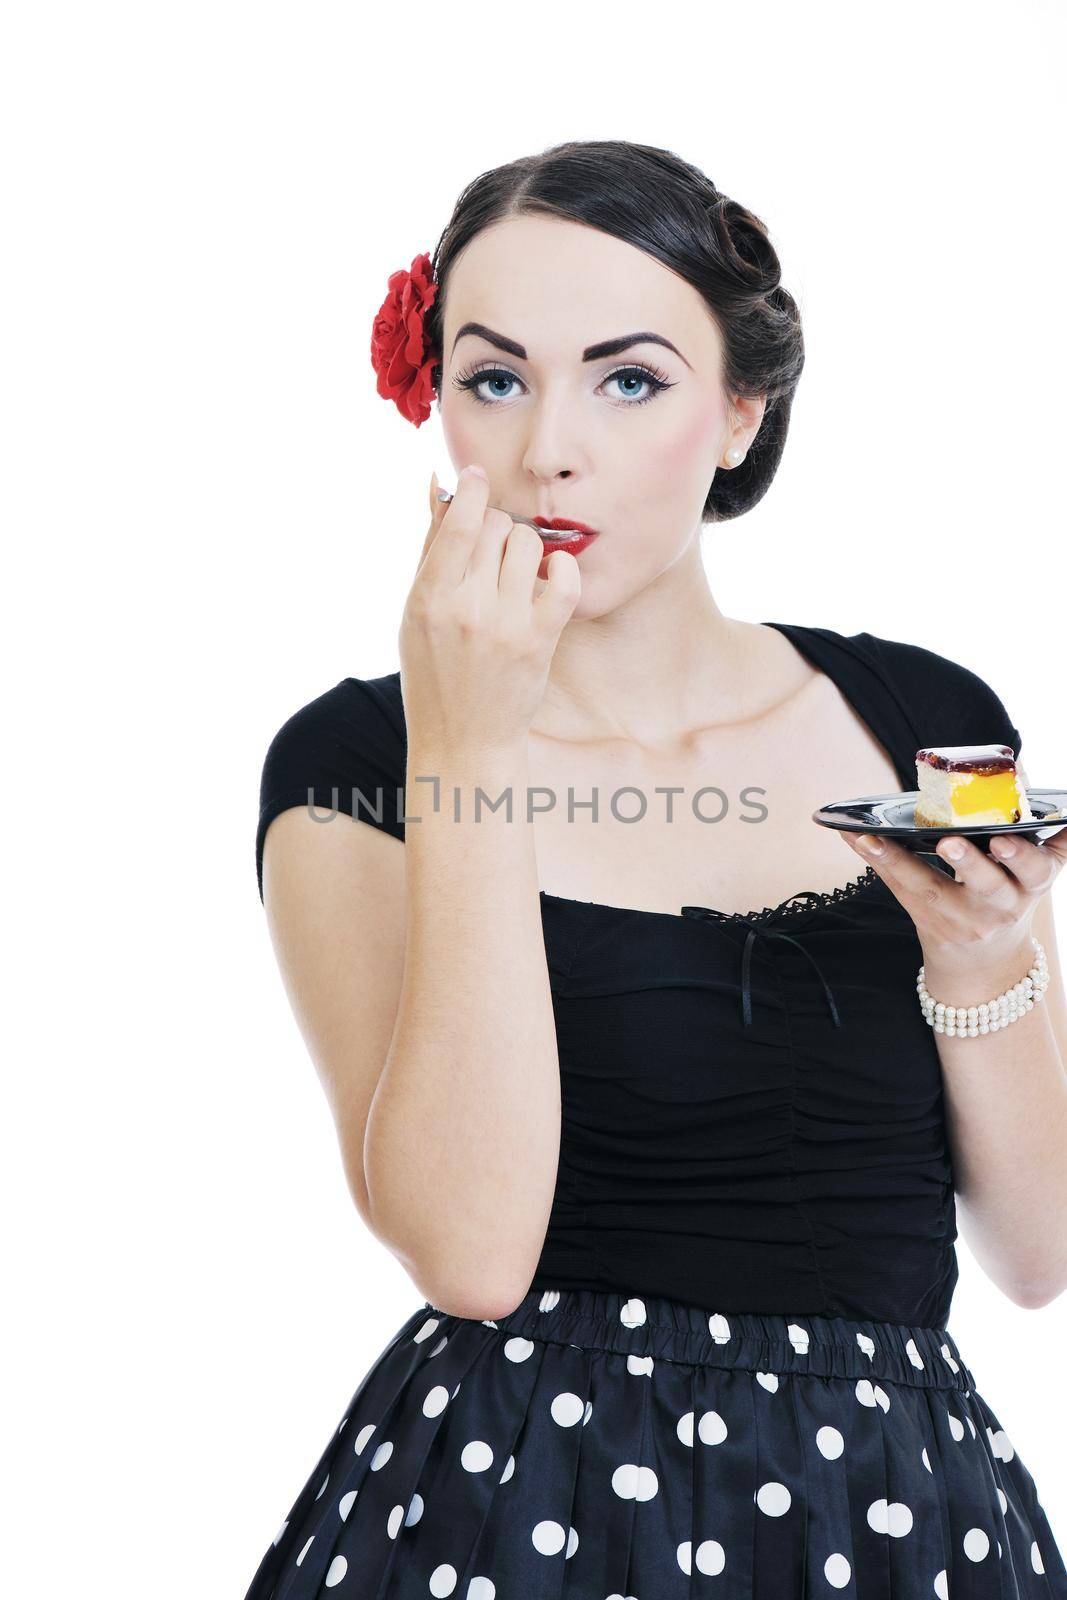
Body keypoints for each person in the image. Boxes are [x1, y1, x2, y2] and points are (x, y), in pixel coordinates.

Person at [243, 139, 1067, 1598]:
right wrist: (470, 744)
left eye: (631, 379)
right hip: (513, 1501)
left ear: (743, 411)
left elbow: (1038, 1255)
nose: (550, 444)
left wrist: (984, 958)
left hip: (890, 1506)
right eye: (495, 378)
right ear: (437, 401)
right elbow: (473, 1254)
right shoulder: (359, 763)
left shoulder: (925, 724)